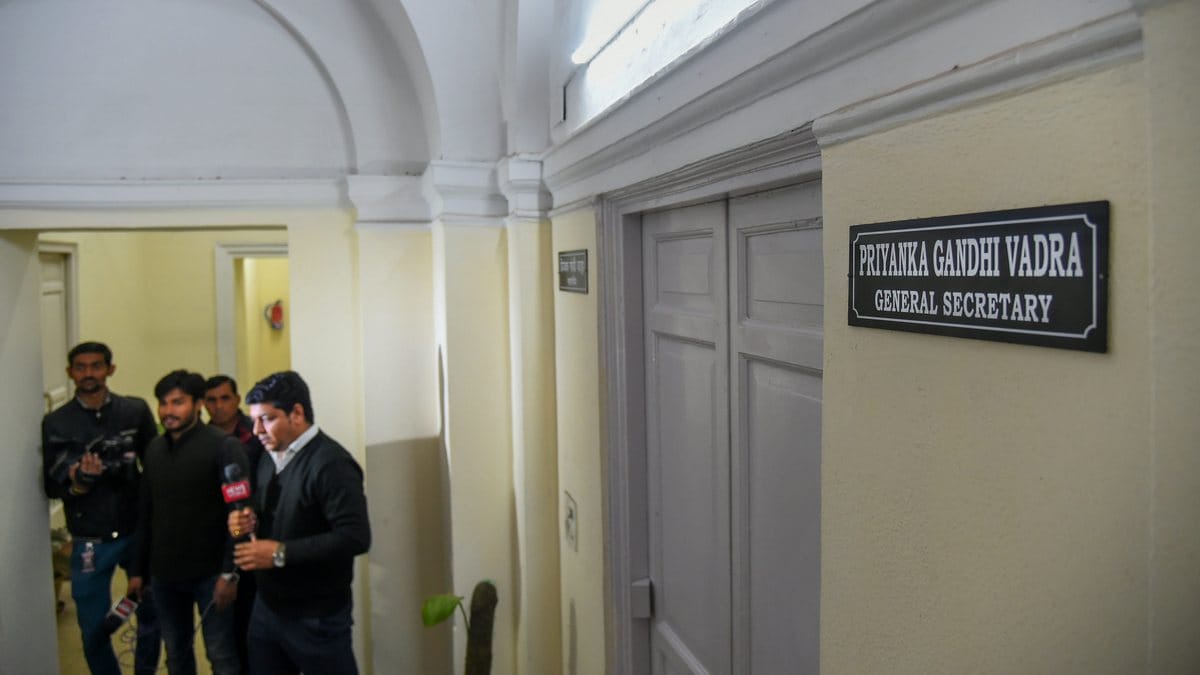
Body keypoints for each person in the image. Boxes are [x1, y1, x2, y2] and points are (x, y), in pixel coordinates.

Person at [228, 370, 371, 674]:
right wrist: (244, 523)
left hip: (316, 615)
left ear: (297, 413)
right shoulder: (269, 456)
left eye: (266, 419)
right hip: (267, 608)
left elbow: (355, 537)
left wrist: (279, 553)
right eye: (253, 419)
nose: (256, 430)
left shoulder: (331, 464)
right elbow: (275, 520)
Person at [41, 341, 161, 675]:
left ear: (110, 369)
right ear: (70, 373)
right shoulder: (56, 422)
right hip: (89, 537)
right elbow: (51, 487)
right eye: (81, 367)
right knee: (93, 628)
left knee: (153, 614)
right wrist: (80, 480)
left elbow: (155, 467)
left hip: (136, 528)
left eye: (96, 366)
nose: (89, 373)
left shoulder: (134, 411)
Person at [130, 370, 248, 675]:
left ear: (197, 404)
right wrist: (137, 571)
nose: (169, 411)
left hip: (212, 575)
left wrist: (230, 573)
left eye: (178, 402)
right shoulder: (154, 449)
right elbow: (145, 515)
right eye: (163, 403)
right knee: (176, 655)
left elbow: (239, 515)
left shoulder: (224, 447)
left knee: (221, 654)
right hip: (165, 576)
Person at [203, 374, 264, 672]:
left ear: (237, 399)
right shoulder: (202, 441)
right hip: (217, 543)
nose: (218, 406)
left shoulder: (258, 434)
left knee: (249, 628)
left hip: (252, 542)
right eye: (211, 400)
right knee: (222, 637)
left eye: (225, 398)